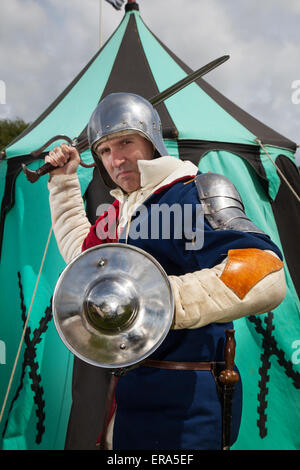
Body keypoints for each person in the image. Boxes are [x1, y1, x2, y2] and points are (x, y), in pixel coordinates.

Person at [46, 93, 286, 450]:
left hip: (188, 403)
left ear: (152, 140)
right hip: (131, 400)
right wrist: (65, 183)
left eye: (126, 142)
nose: (117, 159)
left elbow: (263, 270)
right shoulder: (122, 210)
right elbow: (86, 264)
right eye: (106, 151)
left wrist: (155, 300)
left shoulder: (193, 193)